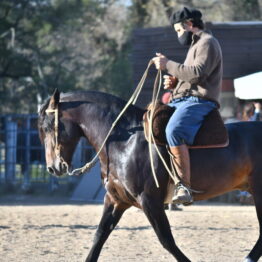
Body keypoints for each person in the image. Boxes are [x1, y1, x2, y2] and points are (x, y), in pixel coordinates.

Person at [152, 7, 223, 205]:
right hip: (183, 99)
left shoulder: (208, 42)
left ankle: (183, 185)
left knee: (174, 130)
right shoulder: (194, 46)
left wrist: (167, 64)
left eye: (178, 30)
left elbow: (198, 74)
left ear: (189, 25)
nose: (178, 35)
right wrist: (175, 83)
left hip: (200, 102)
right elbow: (189, 76)